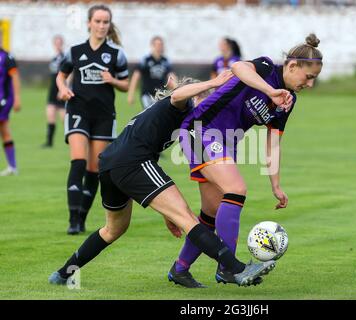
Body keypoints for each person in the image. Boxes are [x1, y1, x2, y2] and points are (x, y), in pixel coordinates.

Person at [48, 71, 276, 288]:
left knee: (113, 229)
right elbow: (178, 94)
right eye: (204, 100)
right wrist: (212, 83)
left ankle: (63, 273)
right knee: (187, 218)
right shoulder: (181, 104)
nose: (207, 107)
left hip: (110, 163)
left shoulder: (169, 116)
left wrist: (167, 210)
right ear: (194, 95)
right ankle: (236, 268)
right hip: (132, 162)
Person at [169, 34, 323, 287]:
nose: (310, 84)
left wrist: (276, 185)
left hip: (226, 143)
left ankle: (180, 268)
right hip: (201, 130)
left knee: (211, 212)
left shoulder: (288, 101)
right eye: (309, 77)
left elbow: (273, 142)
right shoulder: (265, 68)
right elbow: (238, 67)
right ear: (293, 66)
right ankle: (228, 268)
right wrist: (269, 90)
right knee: (236, 190)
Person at [56, 5, 129, 235]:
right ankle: (72, 219)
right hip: (78, 110)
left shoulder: (117, 53)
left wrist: (113, 80)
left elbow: (126, 85)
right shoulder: (75, 51)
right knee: (78, 161)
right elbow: (61, 75)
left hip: (104, 116)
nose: (101, 26)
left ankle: (82, 218)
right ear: (89, 23)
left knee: (93, 169)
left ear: (109, 25)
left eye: (105, 22)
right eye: (97, 21)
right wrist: (63, 89)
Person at [127, 36, 177, 109]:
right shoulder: (145, 60)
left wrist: (178, 89)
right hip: (147, 94)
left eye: (161, 45)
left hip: (161, 94)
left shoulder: (165, 61)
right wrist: (131, 94)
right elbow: (136, 77)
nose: (159, 47)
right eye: (157, 45)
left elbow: (172, 77)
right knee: (149, 113)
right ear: (152, 46)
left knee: (160, 116)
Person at [0, 36, 21, 176]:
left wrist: (17, 98)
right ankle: (12, 167)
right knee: (5, 131)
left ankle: (13, 166)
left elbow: (15, 77)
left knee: (5, 129)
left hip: (3, 100)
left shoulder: (7, 57)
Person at [42, 35, 66, 148]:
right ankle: (49, 142)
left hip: (61, 91)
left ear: (62, 44)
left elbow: (69, 74)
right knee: (50, 116)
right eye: (56, 43)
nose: (58, 45)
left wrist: (63, 88)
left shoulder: (65, 58)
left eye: (59, 43)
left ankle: (72, 140)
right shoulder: (54, 58)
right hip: (52, 91)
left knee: (64, 119)